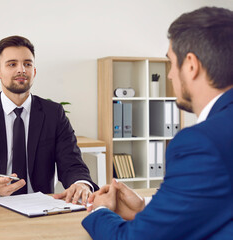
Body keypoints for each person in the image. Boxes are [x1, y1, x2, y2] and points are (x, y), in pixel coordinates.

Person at [82, 6, 233, 240]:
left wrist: (100, 210)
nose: (170, 75)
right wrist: (145, 206)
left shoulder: (201, 142)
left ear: (191, 65)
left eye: (172, 63)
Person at [0, 35, 98, 204]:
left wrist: (81, 184)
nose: (21, 70)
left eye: (27, 64)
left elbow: (72, 164)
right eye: (12, 64)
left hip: (41, 208)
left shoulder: (54, 114)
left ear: (34, 71)